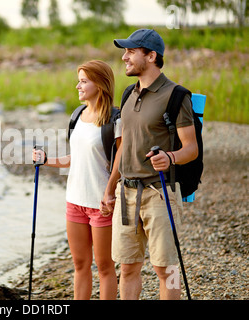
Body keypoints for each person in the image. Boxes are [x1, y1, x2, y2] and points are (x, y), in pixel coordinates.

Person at [109, 29, 198, 300]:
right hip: (126, 193)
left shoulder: (175, 96)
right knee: (127, 267)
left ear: (151, 56)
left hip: (160, 193)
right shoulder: (128, 94)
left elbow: (190, 148)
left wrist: (169, 157)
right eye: (124, 51)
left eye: (130, 51)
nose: (124, 57)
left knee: (166, 268)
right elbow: (123, 146)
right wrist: (110, 187)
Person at [33, 60, 121, 300]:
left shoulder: (115, 119)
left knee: (104, 268)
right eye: (79, 80)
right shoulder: (77, 115)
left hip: (101, 205)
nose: (78, 86)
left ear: (100, 84)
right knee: (80, 265)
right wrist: (47, 159)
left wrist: (109, 191)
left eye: (83, 81)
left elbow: (120, 163)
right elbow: (77, 158)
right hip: (74, 201)